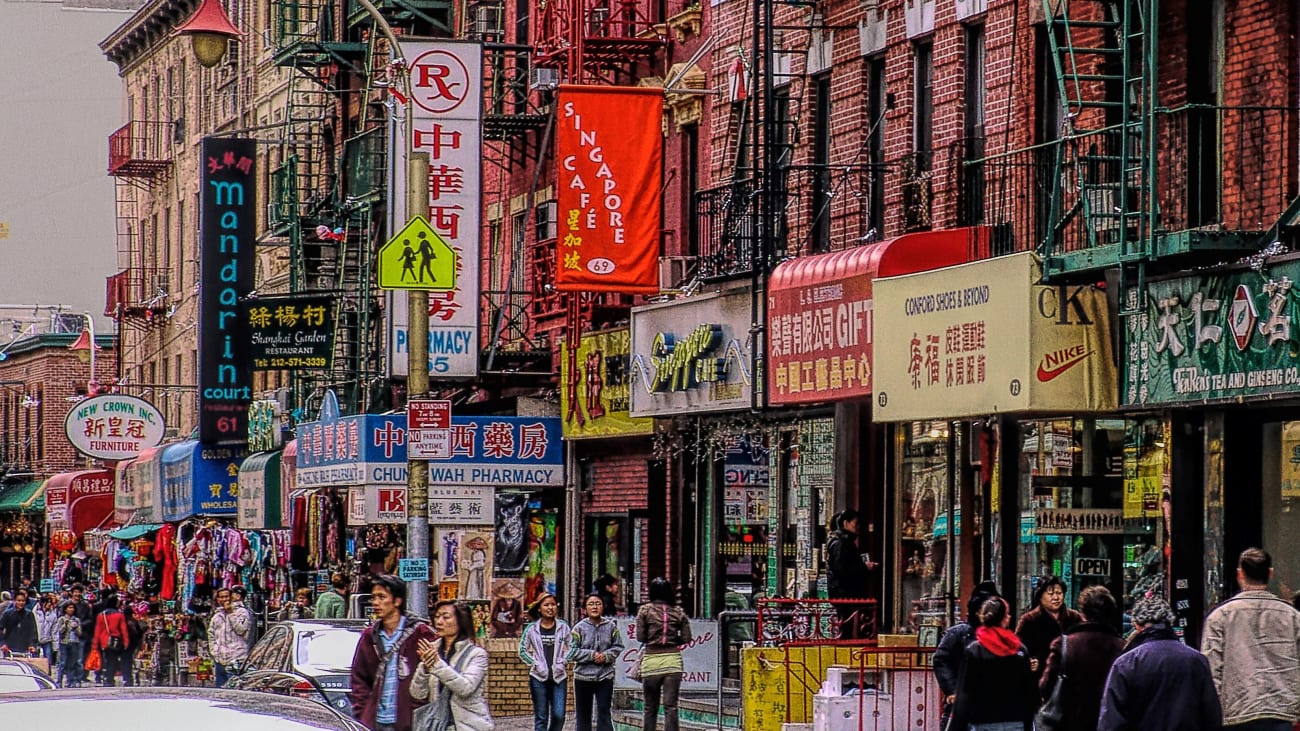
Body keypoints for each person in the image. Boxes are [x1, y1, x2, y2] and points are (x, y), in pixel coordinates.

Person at [1201, 547, 1300, 731]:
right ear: (1270, 573)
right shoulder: (1292, 617)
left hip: (1236, 711)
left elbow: (1211, 670)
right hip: (1281, 711)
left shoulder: (1220, 617)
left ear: (1240, 574)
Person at [1098, 596, 1222, 731]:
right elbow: (1211, 716)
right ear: (1169, 621)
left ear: (1137, 625)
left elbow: (1112, 721)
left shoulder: (1126, 663)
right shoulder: (1196, 660)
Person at [348, 574, 436, 731]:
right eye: (374, 597)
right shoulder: (370, 636)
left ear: (397, 601)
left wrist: (420, 707)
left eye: (382, 597)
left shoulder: (420, 633)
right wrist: (363, 712)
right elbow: (359, 679)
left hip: (411, 720)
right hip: (376, 721)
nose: (376, 603)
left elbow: (434, 675)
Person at [1037, 585, 1127, 731]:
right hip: (1108, 722)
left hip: (1069, 721)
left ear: (1082, 612)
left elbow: (1046, 686)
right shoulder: (1122, 647)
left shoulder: (1065, 644)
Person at [950, 597, 1038, 731]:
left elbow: (965, 693)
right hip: (1015, 721)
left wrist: (957, 726)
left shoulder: (975, 651)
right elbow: (1029, 691)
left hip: (981, 721)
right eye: (1007, 614)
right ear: (1004, 619)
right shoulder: (1019, 650)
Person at [411, 600, 494, 731]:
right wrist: (425, 669)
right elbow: (417, 693)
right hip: (438, 724)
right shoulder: (433, 650)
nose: (439, 622)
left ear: (461, 621)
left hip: (468, 726)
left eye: (446, 617)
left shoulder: (476, 654)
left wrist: (437, 665)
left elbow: (466, 688)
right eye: (437, 616)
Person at [934, 581, 1002, 729]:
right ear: (977, 612)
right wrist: (951, 690)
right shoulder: (959, 633)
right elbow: (941, 660)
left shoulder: (1003, 636)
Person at [637, 577, 693, 731]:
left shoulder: (645, 610)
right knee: (671, 706)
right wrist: (674, 641)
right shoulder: (678, 612)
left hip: (651, 661)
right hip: (672, 661)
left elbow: (640, 637)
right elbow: (687, 638)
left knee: (650, 707)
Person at [571, 593, 625, 731]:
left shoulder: (611, 626)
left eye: (598, 603)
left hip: (605, 676)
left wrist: (606, 656)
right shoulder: (579, 628)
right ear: (585, 608)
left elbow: (618, 646)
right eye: (591, 604)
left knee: (604, 711)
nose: (594, 607)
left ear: (603, 606)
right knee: (583, 715)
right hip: (583, 677)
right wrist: (591, 655)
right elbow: (572, 651)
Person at [1015, 576, 1083, 683]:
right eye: (1050, 594)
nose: (1056, 597)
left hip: (1070, 679)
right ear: (1040, 596)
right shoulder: (1029, 620)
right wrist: (1028, 661)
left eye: (1059, 593)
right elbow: (1018, 648)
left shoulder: (1075, 618)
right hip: (1040, 679)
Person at [518, 592, 570, 731]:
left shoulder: (563, 627)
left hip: (559, 677)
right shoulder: (531, 629)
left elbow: (573, 647)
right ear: (539, 608)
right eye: (546, 605)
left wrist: (563, 661)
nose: (550, 608)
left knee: (559, 715)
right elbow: (522, 650)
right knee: (541, 717)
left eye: (553, 604)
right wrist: (535, 663)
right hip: (538, 677)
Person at [826, 509, 876, 638]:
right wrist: (864, 568)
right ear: (846, 523)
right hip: (844, 594)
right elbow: (842, 570)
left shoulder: (843, 541)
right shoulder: (841, 543)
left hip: (845, 593)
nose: (858, 527)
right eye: (855, 523)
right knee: (846, 628)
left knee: (849, 625)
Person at [208, 586, 253, 688]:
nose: (224, 599)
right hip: (220, 660)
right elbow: (211, 635)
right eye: (221, 597)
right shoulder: (217, 616)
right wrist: (214, 651)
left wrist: (230, 613)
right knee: (220, 691)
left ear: (231, 597)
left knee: (234, 691)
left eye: (226, 596)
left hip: (236, 659)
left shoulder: (242, 612)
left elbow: (241, 630)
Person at [92, 595, 131, 686]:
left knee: (108, 660)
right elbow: (123, 629)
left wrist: (95, 644)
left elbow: (98, 630)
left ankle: (107, 678)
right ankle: (113, 677)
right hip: (116, 641)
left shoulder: (101, 615)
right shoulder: (119, 615)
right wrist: (126, 642)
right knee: (115, 660)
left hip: (104, 641)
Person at [67, 584, 93, 685]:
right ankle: (71, 677)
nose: (77, 594)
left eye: (79, 592)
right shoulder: (67, 604)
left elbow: (90, 619)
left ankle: (79, 677)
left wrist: (80, 625)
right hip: (69, 635)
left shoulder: (85, 605)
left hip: (82, 635)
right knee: (70, 657)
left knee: (80, 658)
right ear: (72, 593)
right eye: (75, 592)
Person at [0, 590, 38, 656]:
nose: (21, 603)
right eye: (19, 600)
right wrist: (3, 643)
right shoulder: (8, 614)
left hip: (25, 648)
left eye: (23, 601)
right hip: (9, 647)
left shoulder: (29, 614)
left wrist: (32, 644)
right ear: (15, 601)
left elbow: (33, 631)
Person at [54, 600, 82, 687]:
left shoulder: (76, 619)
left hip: (74, 642)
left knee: (72, 663)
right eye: (69, 608)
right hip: (64, 643)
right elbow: (60, 631)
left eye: (73, 607)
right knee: (62, 663)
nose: (71, 609)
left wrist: (76, 627)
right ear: (65, 609)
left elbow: (80, 633)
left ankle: (70, 681)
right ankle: (59, 681)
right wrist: (65, 625)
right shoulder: (61, 619)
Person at [123, 604, 145, 686]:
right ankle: (135, 678)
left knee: (126, 661)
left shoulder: (122, 621)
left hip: (124, 645)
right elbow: (140, 633)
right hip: (134, 644)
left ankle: (127, 678)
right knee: (134, 661)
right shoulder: (134, 621)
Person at [33, 593, 58, 662]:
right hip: (36, 639)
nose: (49, 604)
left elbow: (54, 630)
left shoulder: (53, 614)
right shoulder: (34, 612)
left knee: (48, 659)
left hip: (47, 639)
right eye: (47, 602)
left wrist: (55, 646)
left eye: (50, 602)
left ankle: (48, 672)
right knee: (35, 660)